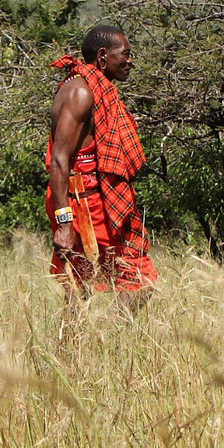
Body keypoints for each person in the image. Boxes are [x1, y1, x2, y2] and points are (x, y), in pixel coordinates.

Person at [46, 24, 157, 313]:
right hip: (82, 200)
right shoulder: (80, 93)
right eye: (127, 54)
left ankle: (103, 344)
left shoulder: (96, 90)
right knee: (123, 277)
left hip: (99, 195)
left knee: (124, 276)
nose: (130, 61)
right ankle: (93, 345)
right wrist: (64, 222)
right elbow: (59, 159)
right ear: (103, 55)